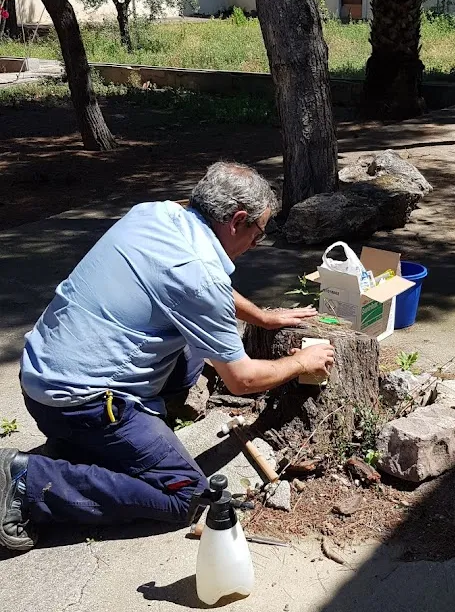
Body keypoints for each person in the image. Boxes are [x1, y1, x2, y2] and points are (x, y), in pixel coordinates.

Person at [0, 162, 334, 553]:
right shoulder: (198, 275)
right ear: (237, 220)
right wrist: (301, 362)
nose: (257, 243)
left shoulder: (155, 213)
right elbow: (241, 380)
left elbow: (199, 286)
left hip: (41, 376)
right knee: (185, 497)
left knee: (193, 348)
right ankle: (27, 480)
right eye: (258, 233)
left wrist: (260, 316)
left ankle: (97, 447)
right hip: (84, 405)